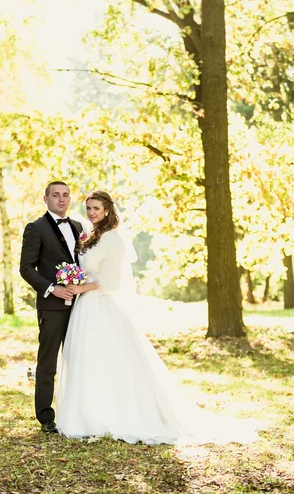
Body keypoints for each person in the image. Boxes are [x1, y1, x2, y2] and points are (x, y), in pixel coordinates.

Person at [56, 191, 266, 445]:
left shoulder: (113, 239)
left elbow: (110, 282)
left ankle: (110, 414)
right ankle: (87, 413)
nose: (91, 213)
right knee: (87, 359)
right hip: (86, 308)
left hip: (102, 306)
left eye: (96, 208)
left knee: (109, 360)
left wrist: (81, 287)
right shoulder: (92, 236)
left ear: (108, 210)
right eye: (88, 208)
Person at [20, 181, 84, 434]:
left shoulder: (79, 227)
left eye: (65, 195)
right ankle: (46, 417)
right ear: (45, 199)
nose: (61, 199)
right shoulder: (35, 228)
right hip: (52, 306)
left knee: (79, 359)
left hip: (81, 306)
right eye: (55, 195)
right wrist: (52, 288)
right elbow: (26, 268)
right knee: (48, 362)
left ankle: (78, 412)